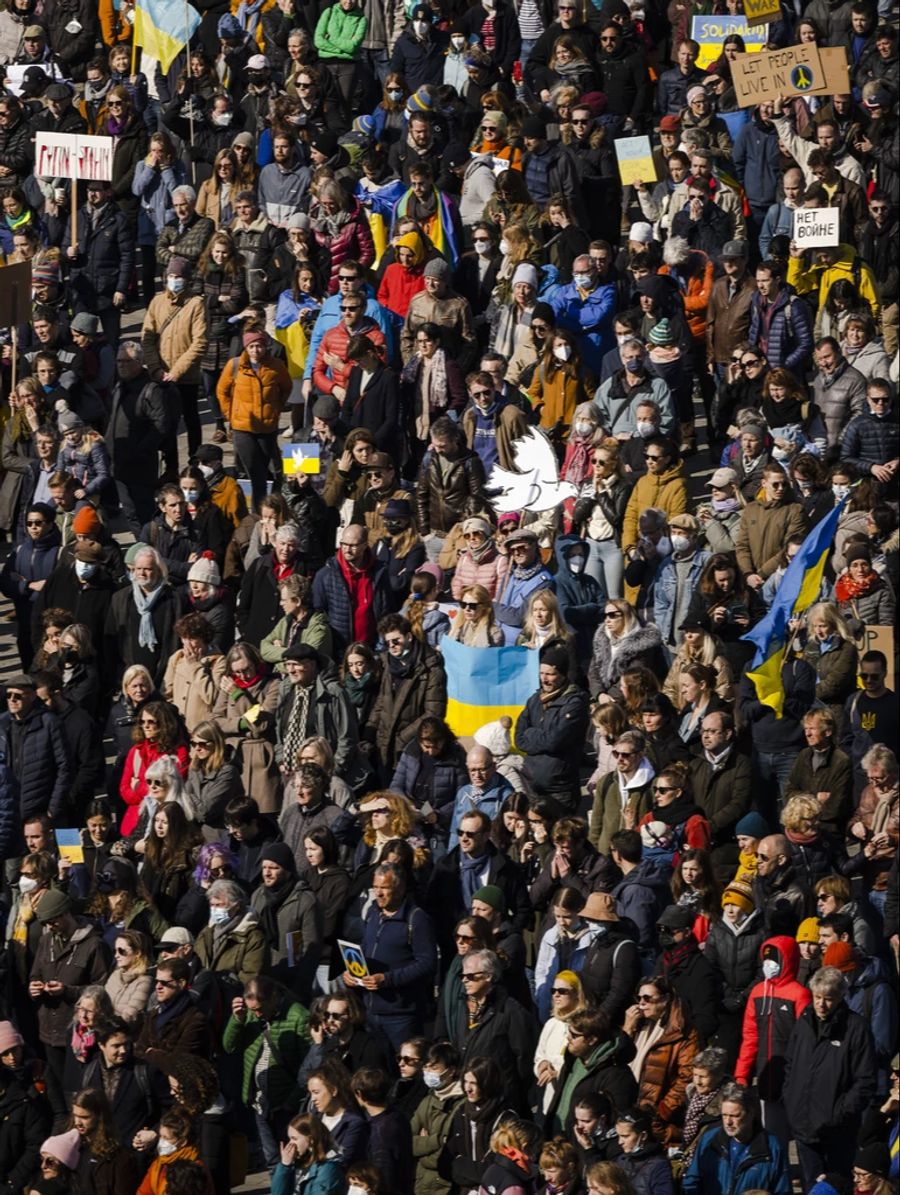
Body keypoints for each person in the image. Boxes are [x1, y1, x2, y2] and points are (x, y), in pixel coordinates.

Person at [782, 965, 878, 1187]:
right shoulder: (804, 1022)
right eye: (817, 997)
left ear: (840, 997)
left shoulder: (856, 1028)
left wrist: (838, 1114)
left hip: (837, 1132)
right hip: (803, 1125)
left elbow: (865, 1081)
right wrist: (792, 1100)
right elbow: (790, 1065)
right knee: (811, 1187)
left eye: (828, 999)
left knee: (837, 1186)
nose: (821, 1004)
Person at [682, 1082, 790, 1195]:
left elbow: (783, 1190)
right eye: (724, 1115)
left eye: (735, 1116)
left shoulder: (771, 1147)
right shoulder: (709, 1140)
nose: (728, 1122)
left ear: (750, 1114)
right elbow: (692, 1181)